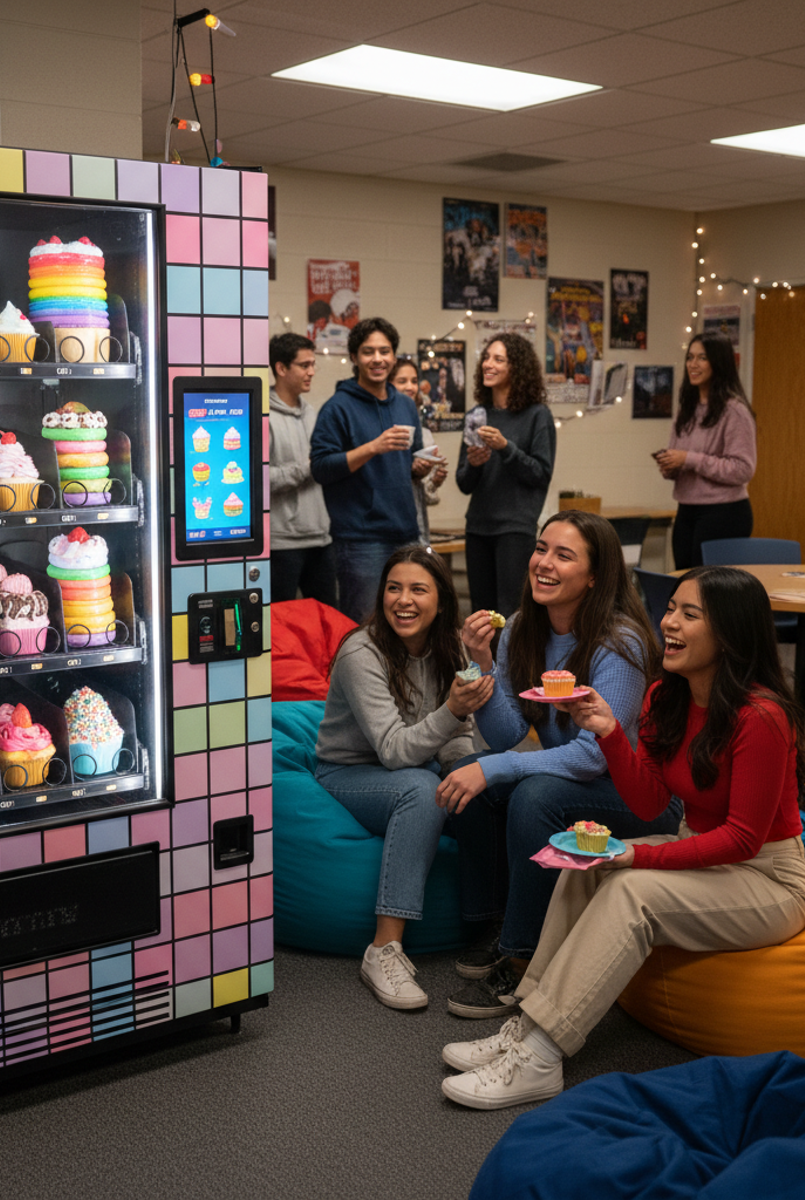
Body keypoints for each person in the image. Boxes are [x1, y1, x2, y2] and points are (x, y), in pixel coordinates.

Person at [440, 566, 805, 1109]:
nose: (669, 622)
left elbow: (740, 840)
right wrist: (611, 733)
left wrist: (634, 854)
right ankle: (527, 1024)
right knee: (584, 859)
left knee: (628, 887)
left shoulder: (761, 716)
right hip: (708, 858)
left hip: (770, 878)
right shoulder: (670, 696)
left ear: (730, 633)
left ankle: (543, 1056)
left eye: (690, 614)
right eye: (672, 609)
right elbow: (647, 804)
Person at [435, 509, 681, 1018]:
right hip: (583, 780)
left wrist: (497, 768)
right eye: (541, 548)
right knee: (471, 778)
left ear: (594, 577)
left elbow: (593, 758)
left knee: (530, 793)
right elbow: (505, 735)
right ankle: (495, 923)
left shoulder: (622, 642)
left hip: (642, 798)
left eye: (563, 555)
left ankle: (526, 961)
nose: (543, 563)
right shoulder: (525, 625)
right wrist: (483, 663)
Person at [315, 546, 493, 1009]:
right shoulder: (362, 651)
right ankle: (383, 949)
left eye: (418, 589)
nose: (403, 600)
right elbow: (394, 751)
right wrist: (452, 709)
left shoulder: (450, 646)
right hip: (350, 771)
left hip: (421, 765)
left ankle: (493, 930)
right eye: (394, 588)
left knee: (486, 786)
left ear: (440, 599)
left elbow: (462, 733)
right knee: (420, 791)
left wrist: (461, 770)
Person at [311, 318, 433, 622]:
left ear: (393, 356)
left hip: (406, 532)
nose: (377, 359)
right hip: (360, 540)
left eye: (384, 351)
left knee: (409, 622)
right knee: (363, 625)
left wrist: (420, 467)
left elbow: (408, 464)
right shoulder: (337, 408)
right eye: (368, 352)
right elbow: (321, 468)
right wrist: (372, 447)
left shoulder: (405, 405)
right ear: (354, 358)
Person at [455, 333, 556, 619]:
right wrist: (474, 464)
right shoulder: (476, 414)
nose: (488, 364)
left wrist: (505, 447)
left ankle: (512, 666)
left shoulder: (538, 415)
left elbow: (540, 473)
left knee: (512, 615)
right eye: (486, 358)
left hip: (515, 530)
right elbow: (464, 483)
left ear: (517, 368)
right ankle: (483, 666)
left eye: (498, 359)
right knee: (482, 615)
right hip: (477, 528)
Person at [653, 332, 755, 569]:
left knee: (707, 591)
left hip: (724, 513)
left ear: (718, 363)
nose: (693, 365)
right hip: (686, 510)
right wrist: (670, 465)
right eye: (690, 358)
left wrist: (688, 459)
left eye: (702, 358)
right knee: (684, 583)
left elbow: (743, 469)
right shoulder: (686, 410)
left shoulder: (735, 411)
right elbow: (681, 461)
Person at [268, 333, 336, 606]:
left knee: (328, 622)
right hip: (282, 543)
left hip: (321, 539)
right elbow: (258, 481)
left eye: (313, 364)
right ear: (281, 368)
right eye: (304, 365)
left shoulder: (314, 413)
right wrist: (309, 468)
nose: (312, 372)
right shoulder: (262, 416)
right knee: (282, 628)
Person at [391, 357, 448, 543]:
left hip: (417, 529)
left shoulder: (424, 434)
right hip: (386, 530)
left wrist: (434, 481)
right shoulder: (378, 428)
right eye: (402, 381)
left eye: (414, 381)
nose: (411, 387)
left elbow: (426, 497)